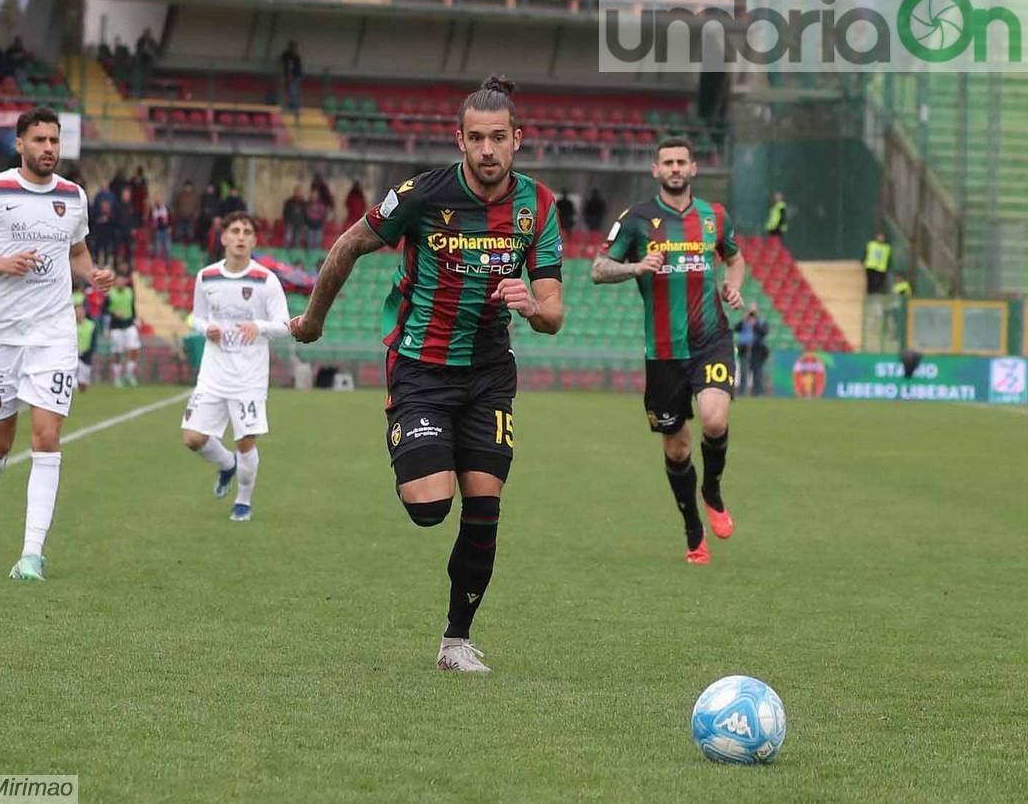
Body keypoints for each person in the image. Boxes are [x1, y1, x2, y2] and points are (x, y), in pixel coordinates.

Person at [291, 75, 565, 674]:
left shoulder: (540, 207)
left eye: (499, 137)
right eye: (476, 138)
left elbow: (553, 314)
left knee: (485, 508)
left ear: (518, 139)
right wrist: (313, 321)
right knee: (428, 508)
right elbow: (347, 246)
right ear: (459, 140)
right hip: (421, 368)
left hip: (491, 374)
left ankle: (455, 641)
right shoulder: (419, 195)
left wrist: (533, 305)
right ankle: (411, 444)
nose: (487, 149)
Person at [0, 107, 115, 581]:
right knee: (1, 441)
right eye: (39, 140)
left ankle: (31, 554)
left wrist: (92, 274)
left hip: (54, 335)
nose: (48, 148)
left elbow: (77, 251)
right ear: (19, 144)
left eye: (54, 141)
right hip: (2, 335)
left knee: (46, 436)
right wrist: (2, 264)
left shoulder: (73, 196)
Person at [591, 135, 744, 565]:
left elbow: (735, 257)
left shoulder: (714, 216)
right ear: (656, 171)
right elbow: (598, 269)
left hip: (712, 338)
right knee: (676, 448)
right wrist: (635, 267)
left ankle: (712, 491)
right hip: (663, 351)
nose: (675, 169)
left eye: (682, 162)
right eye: (667, 163)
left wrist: (734, 284)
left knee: (714, 419)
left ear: (694, 169)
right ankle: (694, 531)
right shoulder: (636, 219)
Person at [182, 211, 291, 522]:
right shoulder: (206, 277)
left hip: (249, 376)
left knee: (245, 440)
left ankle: (243, 501)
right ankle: (226, 465)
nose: (241, 236)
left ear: (254, 240)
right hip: (213, 373)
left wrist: (259, 326)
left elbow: (285, 325)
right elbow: (198, 317)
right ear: (224, 238)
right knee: (193, 438)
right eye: (235, 231)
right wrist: (207, 329)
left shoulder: (266, 280)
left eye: (247, 232)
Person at [106, 269, 141, 387]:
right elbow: (103, 310)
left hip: (129, 324)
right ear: (115, 282)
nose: (121, 283)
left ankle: (129, 374)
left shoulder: (129, 292)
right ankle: (117, 377)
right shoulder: (110, 294)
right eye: (118, 281)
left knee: (134, 349)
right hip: (116, 327)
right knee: (117, 352)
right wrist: (113, 313)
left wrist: (136, 318)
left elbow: (132, 307)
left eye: (122, 280)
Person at [733, 303, 768, 397]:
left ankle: (758, 393)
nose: (752, 314)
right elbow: (736, 328)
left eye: (754, 311)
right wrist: (744, 319)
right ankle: (741, 393)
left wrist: (755, 324)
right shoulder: (744, 321)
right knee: (743, 372)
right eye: (751, 311)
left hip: (756, 350)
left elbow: (764, 332)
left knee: (757, 373)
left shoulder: (761, 321)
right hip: (744, 349)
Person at [75, 300, 96, 391]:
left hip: (85, 357)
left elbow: (93, 343)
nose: (78, 314)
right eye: (76, 312)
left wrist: (85, 353)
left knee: (83, 385)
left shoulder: (91, 325)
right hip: (72, 357)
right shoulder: (70, 325)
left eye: (80, 311)